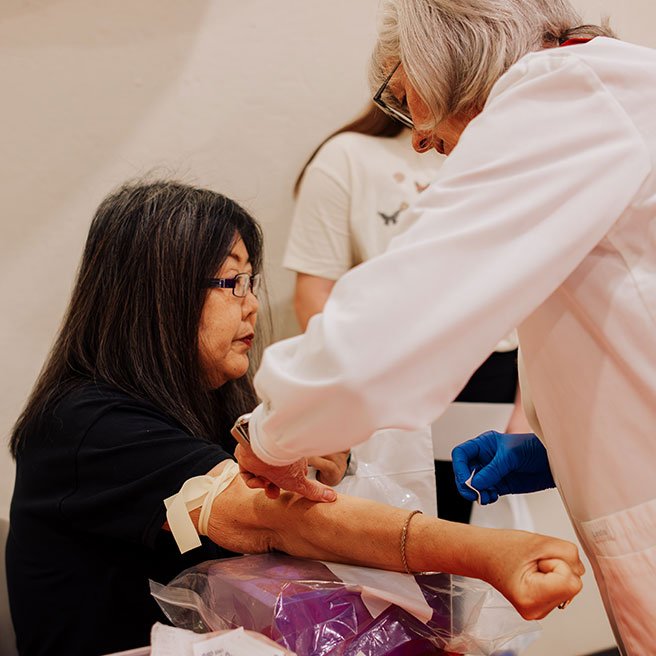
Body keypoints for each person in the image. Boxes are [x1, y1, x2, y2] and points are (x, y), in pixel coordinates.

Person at [232, 1, 656, 653]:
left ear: (448, 50)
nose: (420, 138)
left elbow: (382, 335)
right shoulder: (604, 95)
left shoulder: (569, 93)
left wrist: (270, 432)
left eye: (407, 96)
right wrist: (553, 441)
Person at [6, 180, 583, 656]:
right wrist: (487, 553)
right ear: (158, 295)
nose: (253, 303)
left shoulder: (216, 407)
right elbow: (276, 521)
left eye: (250, 280)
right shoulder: (83, 422)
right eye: (231, 282)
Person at [285, 102, 532, 523]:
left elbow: (536, 291)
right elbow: (313, 293)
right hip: (382, 379)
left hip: (489, 378)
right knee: (392, 533)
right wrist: (357, 384)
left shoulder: (513, 154)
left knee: (472, 544)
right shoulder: (348, 156)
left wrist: (528, 410)